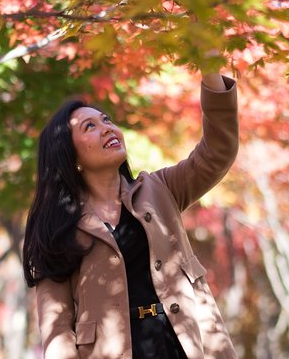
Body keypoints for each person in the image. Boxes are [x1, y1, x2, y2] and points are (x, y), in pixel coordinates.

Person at [22, 70, 239, 359]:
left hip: (185, 345)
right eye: (90, 126)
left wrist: (210, 68)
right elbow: (57, 327)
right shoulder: (56, 227)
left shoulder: (160, 190)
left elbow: (217, 153)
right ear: (70, 157)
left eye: (107, 120)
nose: (107, 128)